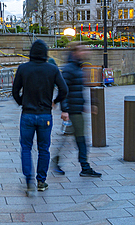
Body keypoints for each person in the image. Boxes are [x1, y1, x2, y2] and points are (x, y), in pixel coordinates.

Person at [12, 39, 68, 194]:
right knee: (44, 148)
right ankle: (41, 181)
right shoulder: (52, 69)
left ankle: (28, 179)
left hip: (27, 114)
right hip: (45, 115)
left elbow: (15, 91)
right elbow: (64, 90)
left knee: (26, 148)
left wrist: (22, 102)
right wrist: (54, 101)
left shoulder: (23, 68)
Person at [53, 43, 102, 178]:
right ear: (75, 52)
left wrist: (88, 105)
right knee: (80, 140)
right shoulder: (70, 69)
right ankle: (84, 167)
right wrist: (65, 110)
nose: (86, 51)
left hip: (77, 109)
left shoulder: (77, 67)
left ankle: (57, 161)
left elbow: (78, 91)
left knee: (70, 139)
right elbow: (64, 90)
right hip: (72, 111)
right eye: (82, 50)